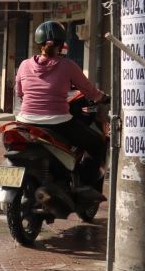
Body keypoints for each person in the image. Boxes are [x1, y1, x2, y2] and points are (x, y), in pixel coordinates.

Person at [15, 21, 109, 183]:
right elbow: (89, 91)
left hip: (24, 121)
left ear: (38, 43)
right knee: (97, 144)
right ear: (62, 44)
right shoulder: (68, 65)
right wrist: (103, 98)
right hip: (58, 122)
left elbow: (19, 93)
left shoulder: (24, 65)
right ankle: (85, 185)